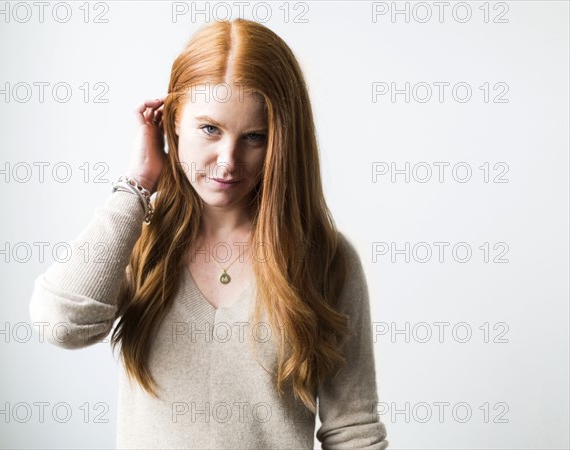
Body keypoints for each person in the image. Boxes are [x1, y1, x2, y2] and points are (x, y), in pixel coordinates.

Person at [29, 18, 389, 449]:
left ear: (281, 141)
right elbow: (61, 324)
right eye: (210, 129)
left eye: (255, 137)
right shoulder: (139, 242)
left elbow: (353, 429)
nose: (227, 162)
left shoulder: (326, 259)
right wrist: (137, 186)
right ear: (173, 121)